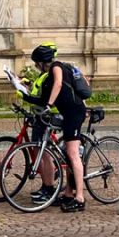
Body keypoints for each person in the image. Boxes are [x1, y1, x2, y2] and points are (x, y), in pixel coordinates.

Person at [22, 45, 88, 212]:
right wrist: (23, 91)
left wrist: (49, 105)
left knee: (73, 154)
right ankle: (68, 193)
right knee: (68, 155)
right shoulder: (46, 77)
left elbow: (58, 84)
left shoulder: (57, 67)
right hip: (68, 114)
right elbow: (43, 98)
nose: (36, 67)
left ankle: (79, 197)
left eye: (36, 64)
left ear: (42, 62)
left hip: (74, 112)